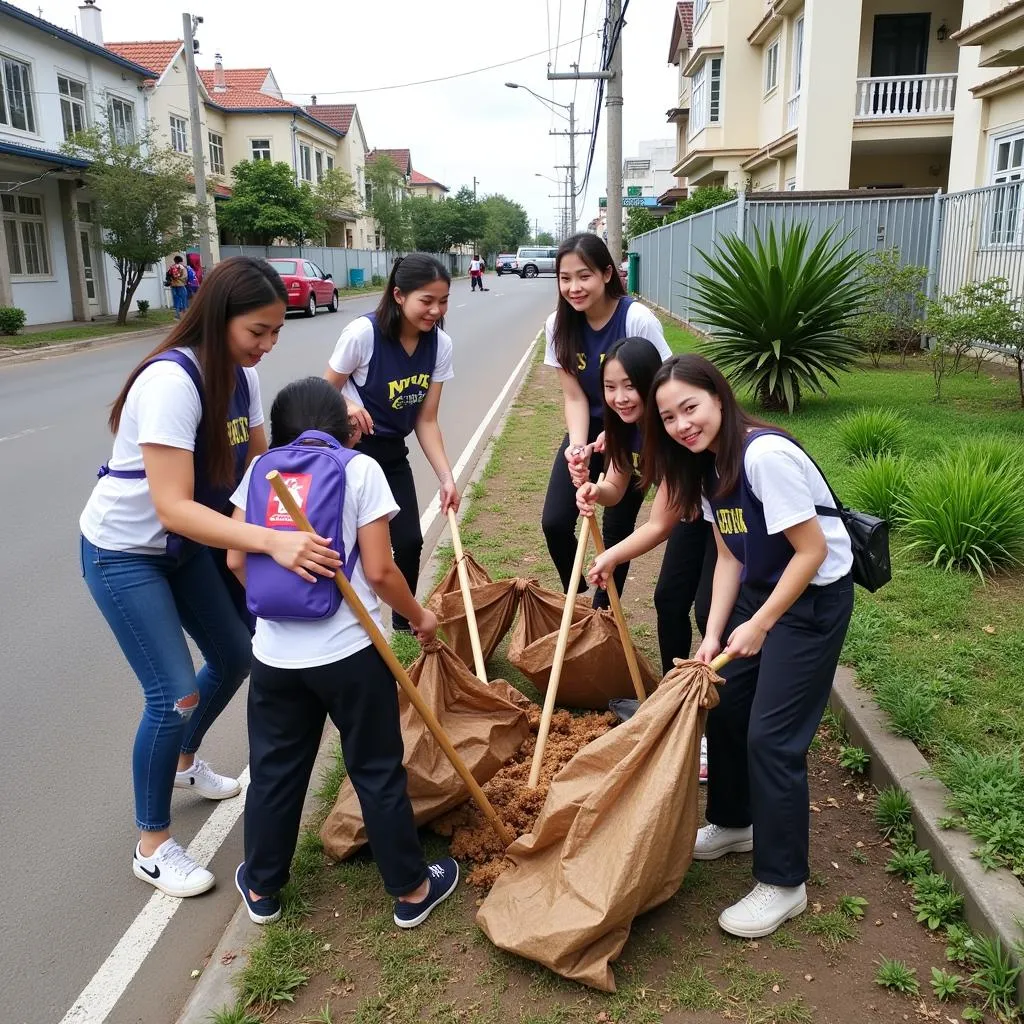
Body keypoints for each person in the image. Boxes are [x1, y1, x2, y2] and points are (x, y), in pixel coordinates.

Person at [80, 256, 341, 898]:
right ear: (220, 317)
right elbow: (172, 505)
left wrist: (327, 450)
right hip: (126, 552)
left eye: (277, 331)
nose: (269, 344)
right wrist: (270, 543)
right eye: (259, 331)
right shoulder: (171, 383)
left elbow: (264, 468)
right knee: (173, 693)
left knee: (233, 655)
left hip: (186, 545)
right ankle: (152, 845)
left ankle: (184, 762)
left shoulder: (241, 380)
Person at [589, 354, 854, 939]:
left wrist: (758, 624)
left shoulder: (764, 456)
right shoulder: (704, 467)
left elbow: (810, 554)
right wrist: (712, 632)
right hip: (762, 588)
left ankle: (785, 883)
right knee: (728, 709)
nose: (684, 424)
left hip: (809, 604)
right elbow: (731, 553)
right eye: (670, 417)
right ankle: (736, 821)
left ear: (718, 397)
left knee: (773, 738)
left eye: (692, 407)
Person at [226, 376, 459, 929]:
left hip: (275, 657)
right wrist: (421, 616)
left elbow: (238, 563)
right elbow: (379, 571)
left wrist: (281, 605)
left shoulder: (259, 472)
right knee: (376, 767)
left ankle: (261, 890)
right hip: (350, 653)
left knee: (275, 771)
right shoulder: (360, 470)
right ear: (342, 428)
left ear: (280, 431)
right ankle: (410, 890)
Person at [575, 336, 713, 781]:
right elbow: (617, 486)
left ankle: (707, 730)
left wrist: (609, 557)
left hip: (725, 515)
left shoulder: (667, 429)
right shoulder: (620, 426)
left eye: (629, 386)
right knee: (669, 599)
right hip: (695, 512)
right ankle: (669, 704)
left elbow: (660, 524)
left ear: (651, 383)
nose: (619, 397)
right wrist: (597, 490)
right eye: (610, 387)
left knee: (711, 612)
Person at [324, 253, 459, 631]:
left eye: (443, 300)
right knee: (352, 548)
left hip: (391, 454)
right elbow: (324, 391)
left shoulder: (440, 345)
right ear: (399, 295)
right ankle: (349, 623)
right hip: (350, 455)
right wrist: (349, 402)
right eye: (426, 300)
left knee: (410, 542)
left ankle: (405, 623)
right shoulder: (363, 334)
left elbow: (426, 419)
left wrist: (446, 478)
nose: (435, 310)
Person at [541, 232, 672, 608]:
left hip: (636, 432)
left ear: (607, 274)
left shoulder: (636, 318)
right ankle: (579, 594)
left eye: (584, 276)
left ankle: (603, 611)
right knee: (554, 522)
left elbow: (661, 386)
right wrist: (579, 447)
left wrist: (628, 436)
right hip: (589, 428)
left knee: (616, 528)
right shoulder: (558, 325)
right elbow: (574, 395)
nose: (574, 287)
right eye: (565, 278)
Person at [168, 255, 189, 319]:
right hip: (181, 285)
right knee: (184, 299)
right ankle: (185, 315)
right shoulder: (182, 267)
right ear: (181, 260)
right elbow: (185, 276)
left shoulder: (172, 267)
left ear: (175, 260)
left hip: (173, 285)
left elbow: (168, 275)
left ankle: (177, 314)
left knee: (176, 299)